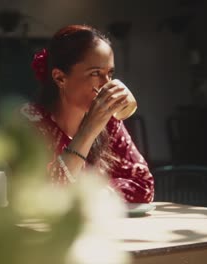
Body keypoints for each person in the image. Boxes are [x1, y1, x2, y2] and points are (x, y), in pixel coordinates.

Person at [20, 25, 154, 203]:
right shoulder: (31, 121)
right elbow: (47, 198)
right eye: (95, 73)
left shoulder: (110, 122)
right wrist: (89, 129)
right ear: (60, 78)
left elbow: (144, 185)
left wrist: (92, 194)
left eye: (110, 74)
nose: (106, 84)